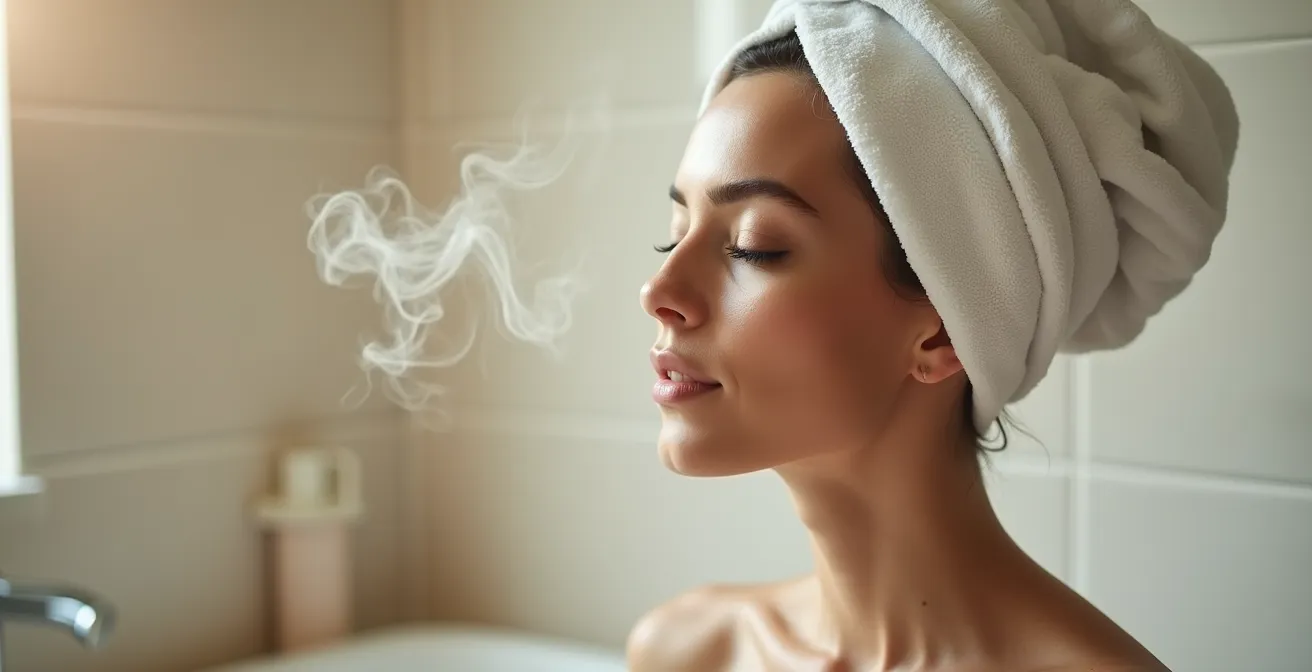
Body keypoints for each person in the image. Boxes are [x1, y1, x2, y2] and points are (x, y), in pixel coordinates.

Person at [627, 0, 1238, 669]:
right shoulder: (691, 652)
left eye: (755, 247)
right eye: (676, 233)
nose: (660, 293)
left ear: (945, 330)